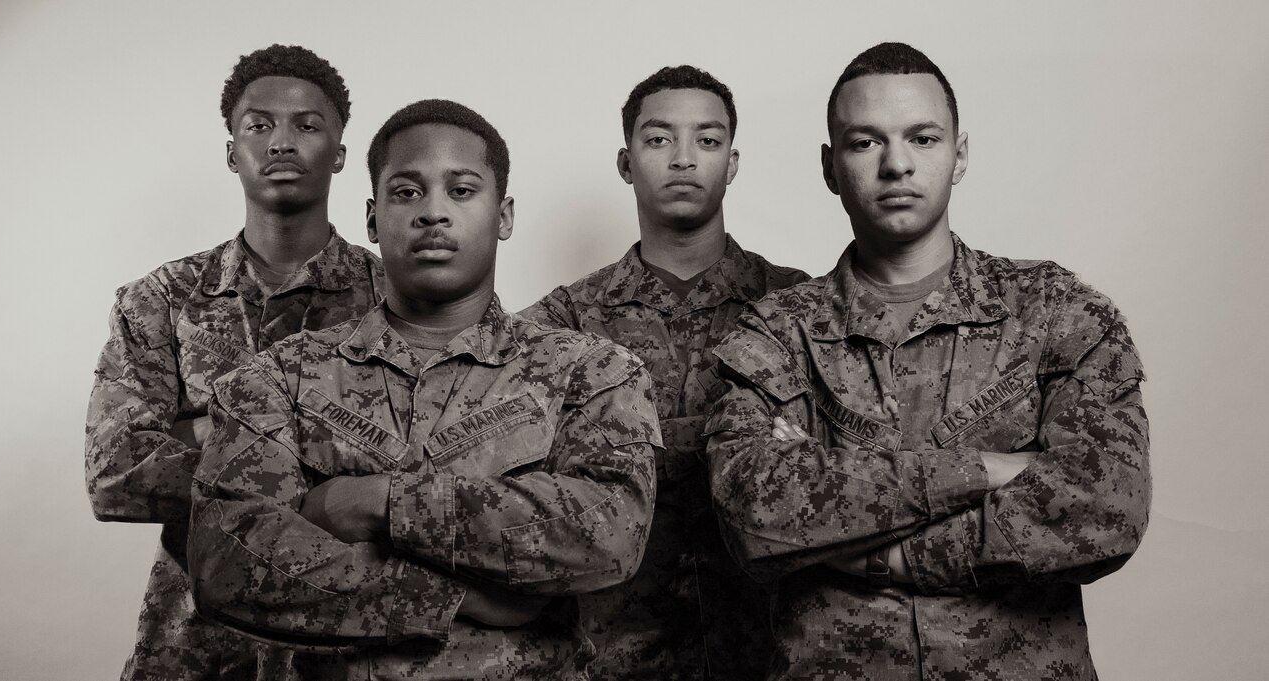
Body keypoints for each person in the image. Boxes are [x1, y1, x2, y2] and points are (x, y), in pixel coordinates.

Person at [705, 42, 1150, 680]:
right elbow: (755, 510)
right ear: (831, 167)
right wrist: (988, 471)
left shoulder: (1057, 311)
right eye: (865, 142)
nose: (896, 165)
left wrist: (880, 553)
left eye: (923, 137)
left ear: (959, 154)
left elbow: (1108, 504)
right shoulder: (777, 331)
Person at [188, 99, 660, 680]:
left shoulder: (590, 373)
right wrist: (454, 598)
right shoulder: (277, 378)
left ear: (504, 216)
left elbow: (609, 536)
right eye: (406, 192)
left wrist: (371, 503)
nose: (433, 213)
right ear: (370, 217)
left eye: (461, 191)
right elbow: (227, 563)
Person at [84, 44, 378, 680]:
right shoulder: (161, 299)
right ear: (230, 151)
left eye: (307, 124)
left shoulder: (395, 300)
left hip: (351, 644)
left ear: (340, 154)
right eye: (259, 124)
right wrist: (329, 469)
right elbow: (115, 475)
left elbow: (438, 463)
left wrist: (207, 432)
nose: (281, 142)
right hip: (196, 645)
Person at [521, 65, 807, 681]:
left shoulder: (796, 307)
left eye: (707, 141)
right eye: (658, 140)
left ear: (732, 163)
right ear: (626, 163)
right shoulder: (559, 325)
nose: (683, 159)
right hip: (607, 655)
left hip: (778, 650)